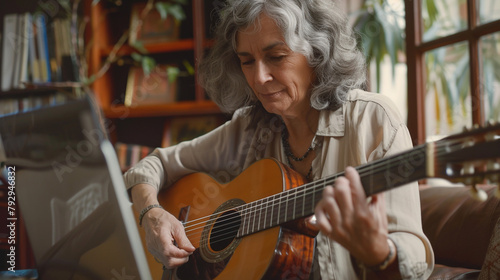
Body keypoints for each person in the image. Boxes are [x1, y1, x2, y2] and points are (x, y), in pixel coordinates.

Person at [124, 0, 434, 279]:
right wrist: (150, 213)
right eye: (247, 60)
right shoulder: (248, 128)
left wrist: (381, 254)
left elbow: (414, 255)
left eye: (276, 56)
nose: (259, 77)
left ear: (317, 53)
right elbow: (151, 166)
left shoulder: (372, 120)